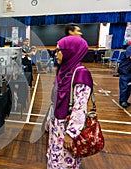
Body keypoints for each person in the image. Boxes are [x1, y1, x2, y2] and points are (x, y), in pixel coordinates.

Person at [45, 36, 93, 169]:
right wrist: (50, 119)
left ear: (70, 52)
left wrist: (70, 134)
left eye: (59, 50)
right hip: (56, 126)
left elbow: (80, 108)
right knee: (53, 162)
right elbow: (54, 100)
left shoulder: (81, 74)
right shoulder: (63, 71)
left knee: (65, 164)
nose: (55, 54)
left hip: (66, 130)